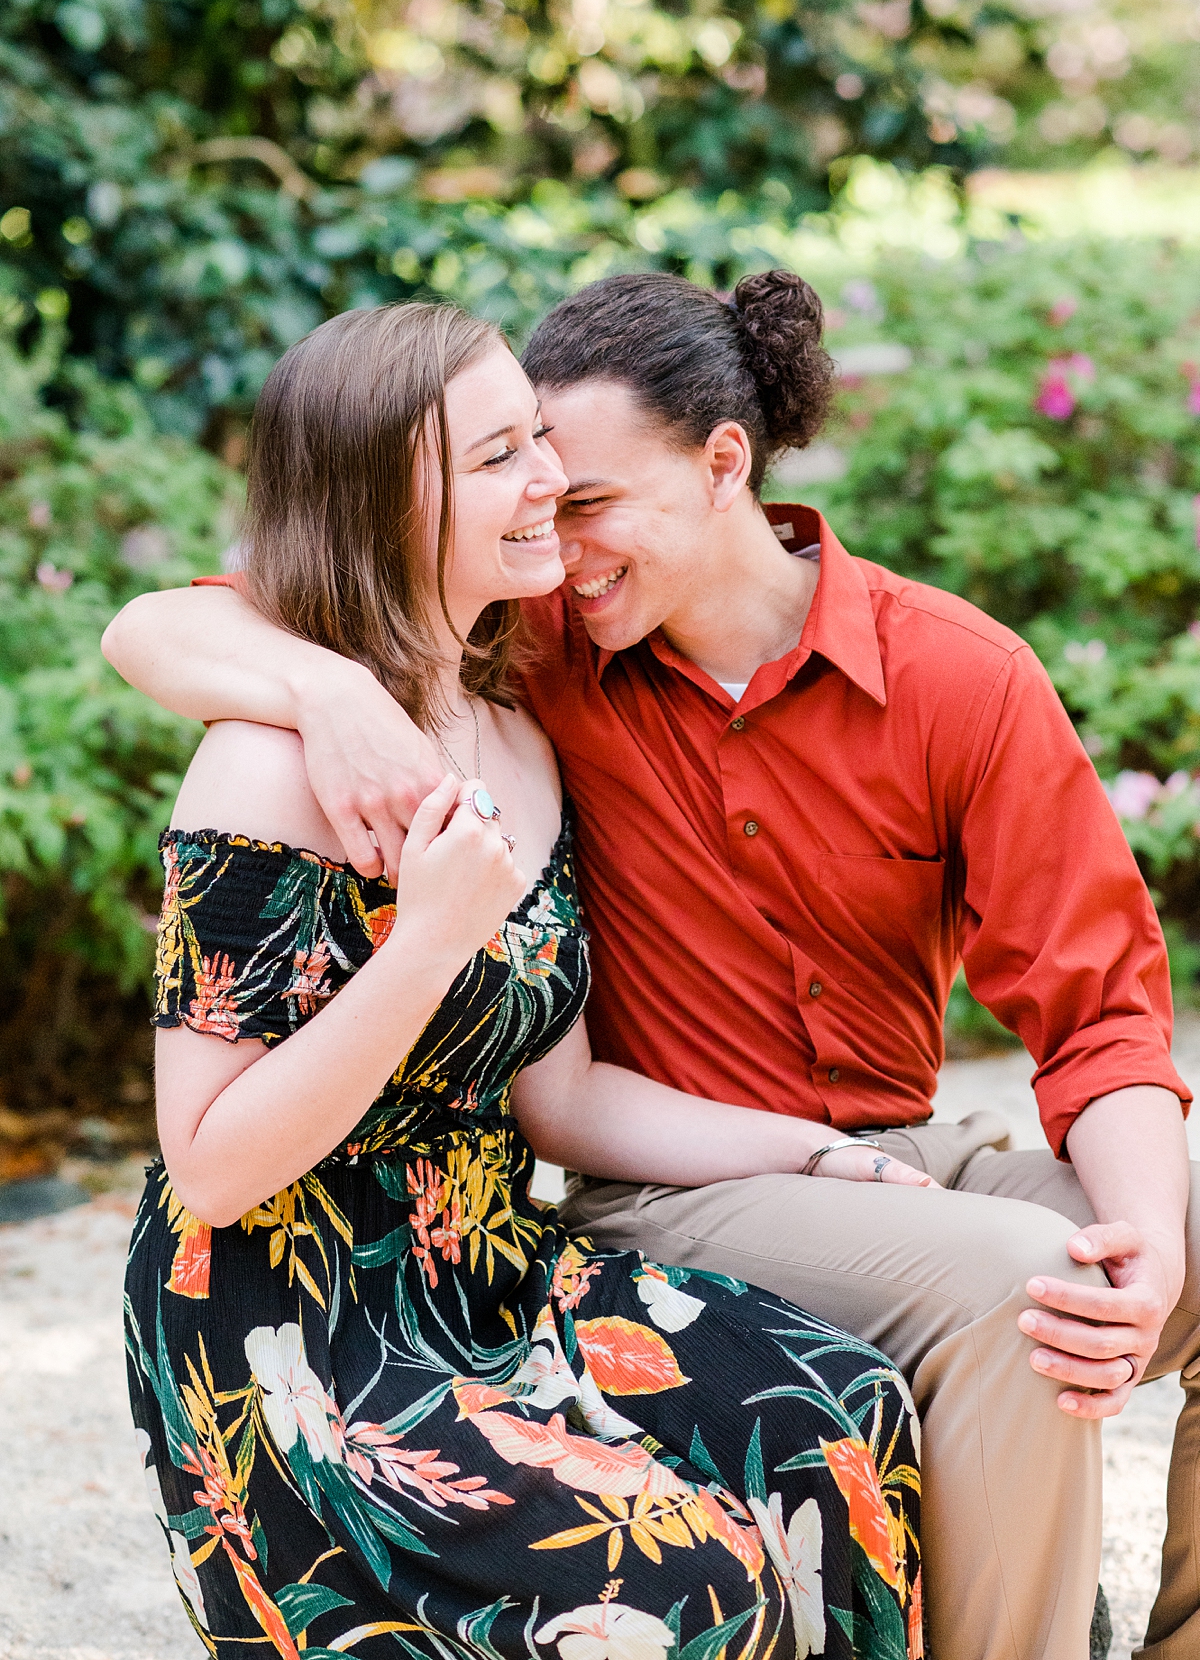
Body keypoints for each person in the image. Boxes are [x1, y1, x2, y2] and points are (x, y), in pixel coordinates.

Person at [103, 268, 1198, 1660]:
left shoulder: (935, 680)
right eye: (516, 469)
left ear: (722, 464)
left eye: (578, 487)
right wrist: (330, 699)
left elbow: (1102, 1010)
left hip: (790, 1172)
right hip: (526, 1244)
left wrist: (1147, 1248)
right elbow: (168, 620)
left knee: (1079, 1284)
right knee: (1028, 1287)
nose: (555, 517)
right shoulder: (520, 653)